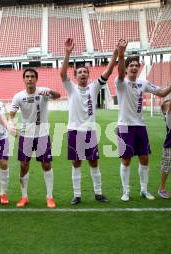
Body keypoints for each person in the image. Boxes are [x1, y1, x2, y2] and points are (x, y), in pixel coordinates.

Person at [116, 41, 171, 201]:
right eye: (132, 65)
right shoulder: (121, 81)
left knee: (144, 158)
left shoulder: (143, 83)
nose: (134, 68)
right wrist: (121, 54)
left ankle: (144, 190)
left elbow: (160, 92)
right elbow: (120, 71)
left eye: (137, 65)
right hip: (125, 126)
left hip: (139, 126)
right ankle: (126, 191)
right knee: (126, 159)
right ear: (127, 67)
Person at [60, 38, 118, 205]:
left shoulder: (94, 87)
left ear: (88, 75)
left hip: (90, 131)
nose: (83, 74)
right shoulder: (71, 88)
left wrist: (115, 55)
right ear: (76, 76)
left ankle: (98, 193)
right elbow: (62, 74)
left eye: (85, 72)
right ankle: (77, 195)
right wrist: (67, 53)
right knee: (76, 162)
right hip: (74, 130)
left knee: (93, 161)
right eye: (80, 72)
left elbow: (107, 72)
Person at [8, 68, 60, 208]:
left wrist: (50, 92)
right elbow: (11, 114)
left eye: (32, 76)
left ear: (36, 79)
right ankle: (24, 197)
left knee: (46, 164)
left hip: (42, 134)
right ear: (24, 79)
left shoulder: (43, 91)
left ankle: (49, 197)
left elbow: (58, 95)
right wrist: (10, 124)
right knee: (24, 165)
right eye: (27, 77)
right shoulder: (18, 96)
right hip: (26, 135)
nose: (30, 79)